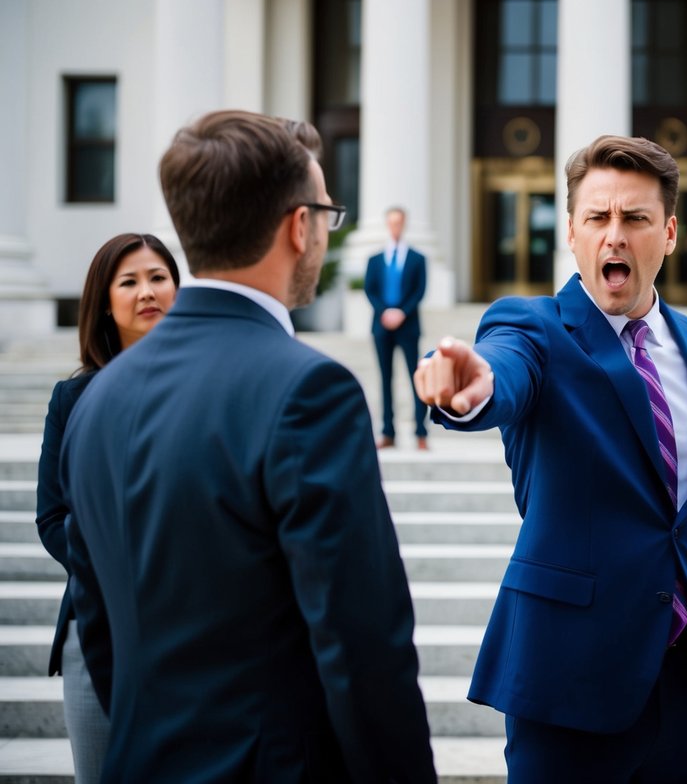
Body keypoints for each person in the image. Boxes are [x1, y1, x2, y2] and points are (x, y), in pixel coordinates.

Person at [58, 110, 436, 783]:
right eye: (325, 212)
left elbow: (101, 630)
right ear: (299, 226)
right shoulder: (308, 390)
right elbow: (363, 649)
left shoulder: (97, 400)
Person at [413, 135, 687, 783]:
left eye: (635, 219)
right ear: (570, 232)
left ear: (670, 232)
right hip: (568, 675)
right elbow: (503, 376)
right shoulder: (531, 327)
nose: (615, 236)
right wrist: (470, 388)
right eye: (597, 218)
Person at [36, 233, 179, 784]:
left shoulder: (205, 387)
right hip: (94, 626)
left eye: (158, 277)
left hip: (192, 629)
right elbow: (52, 519)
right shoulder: (72, 399)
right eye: (129, 281)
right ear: (104, 301)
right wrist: (123, 554)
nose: (147, 291)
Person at [365, 205, 429, 450]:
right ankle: (388, 432)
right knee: (385, 378)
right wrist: (385, 312)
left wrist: (402, 312)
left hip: (408, 324)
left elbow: (419, 290)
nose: (395, 226)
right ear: (386, 224)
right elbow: (370, 290)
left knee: (416, 377)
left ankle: (420, 432)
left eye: (398, 222)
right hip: (382, 326)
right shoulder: (375, 259)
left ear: (404, 224)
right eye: (391, 222)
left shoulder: (417, 258)